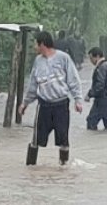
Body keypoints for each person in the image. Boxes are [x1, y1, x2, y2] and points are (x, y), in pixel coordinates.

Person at [18, 31, 83, 165]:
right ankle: (30, 167)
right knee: (36, 139)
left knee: (63, 139)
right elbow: (33, 84)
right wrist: (25, 103)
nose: (34, 47)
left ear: (42, 44)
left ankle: (63, 167)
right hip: (44, 106)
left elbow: (73, 80)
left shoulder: (63, 58)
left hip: (61, 105)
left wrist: (78, 99)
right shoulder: (38, 61)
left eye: (35, 43)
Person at [84, 47, 107, 130]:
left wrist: (90, 94)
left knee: (91, 121)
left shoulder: (101, 68)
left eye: (91, 58)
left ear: (97, 56)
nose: (91, 61)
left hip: (102, 100)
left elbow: (100, 85)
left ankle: (93, 141)